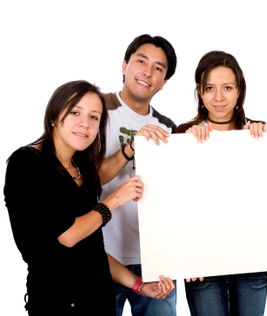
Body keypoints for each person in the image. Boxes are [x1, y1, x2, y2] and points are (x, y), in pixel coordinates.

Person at [3, 80, 174, 316]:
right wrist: (115, 199)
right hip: (56, 303)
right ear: (54, 115)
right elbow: (68, 236)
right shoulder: (27, 163)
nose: (85, 124)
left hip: (99, 301)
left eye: (94, 117)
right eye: (75, 112)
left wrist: (139, 285)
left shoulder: (81, 168)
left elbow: (92, 251)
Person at [175, 50, 267, 316]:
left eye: (227, 88)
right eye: (210, 88)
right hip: (201, 263)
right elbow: (175, 203)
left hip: (252, 258)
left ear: (239, 91)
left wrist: (266, 143)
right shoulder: (182, 135)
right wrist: (186, 145)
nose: (218, 97)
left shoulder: (259, 134)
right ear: (199, 93)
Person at [99, 34, 178, 316]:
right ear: (124, 65)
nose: (148, 72)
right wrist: (132, 147)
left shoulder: (168, 127)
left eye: (158, 68)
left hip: (156, 259)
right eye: (141, 61)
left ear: (164, 81)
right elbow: (86, 179)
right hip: (103, 255)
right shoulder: (97, 110)